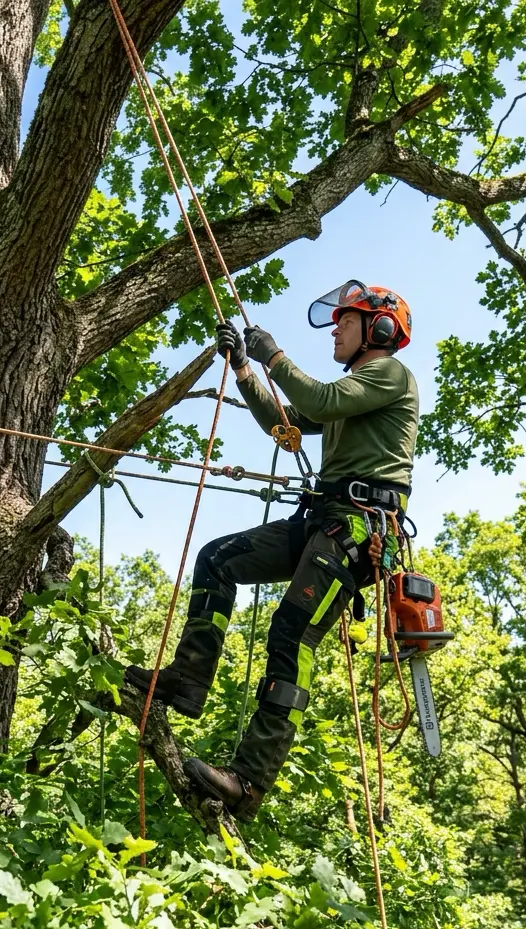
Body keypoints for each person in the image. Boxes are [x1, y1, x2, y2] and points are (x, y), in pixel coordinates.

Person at [125, 280, 419, 820]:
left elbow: (319, 400)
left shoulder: (389, 375)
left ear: (378, 329)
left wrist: (273, 355)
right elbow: (285, 423)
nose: (335, 331)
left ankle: (249, 781)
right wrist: (244, 367)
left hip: (357, 530)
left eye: (345, 322)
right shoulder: (351, 390)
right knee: (218, 559)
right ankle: (188, 678)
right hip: (323, 520)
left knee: (291, 633)